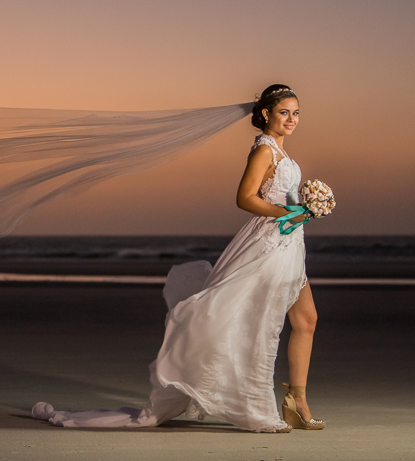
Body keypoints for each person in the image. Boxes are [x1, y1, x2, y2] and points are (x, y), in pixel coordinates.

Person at [32, 84, 324, 432]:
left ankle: (296, 400)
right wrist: (286, 212)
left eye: (295, 113)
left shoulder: (282, 152)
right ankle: (257, 407)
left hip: (290, 245)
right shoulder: (264, 150)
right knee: (259, 323)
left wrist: (306, 209)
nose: (291, 119)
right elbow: (245, 198)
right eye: (284, 112)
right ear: (265, 114)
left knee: (306, 320)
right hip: (267, 245)